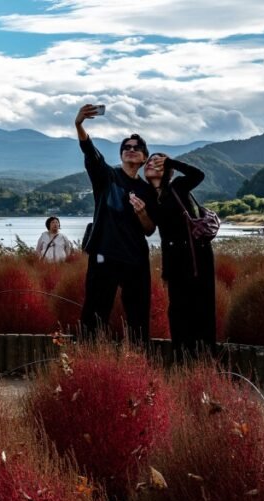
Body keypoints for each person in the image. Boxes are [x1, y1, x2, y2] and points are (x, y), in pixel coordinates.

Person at [74, 104, 158, 344]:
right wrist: (79, 125)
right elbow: (91, 153)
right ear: (121, 154)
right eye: (126, 148)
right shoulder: (106, 177)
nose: (131, 150)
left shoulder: (147, 190)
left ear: (143, 158)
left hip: (135, 259)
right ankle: (88, 362)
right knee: (94, 313)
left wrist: (142, 213)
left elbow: (150, 230)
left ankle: (137, 365)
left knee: (138, 317)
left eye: (137, 148)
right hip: (103, 255)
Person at [145, 153, 215, 360]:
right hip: (174, 260)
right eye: (149, 161)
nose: (152, 163)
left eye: (158, 161)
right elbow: (157, 234)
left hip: (196, 256)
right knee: (177, 312)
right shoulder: (148, 196)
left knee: (201, 310)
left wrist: (172, 162)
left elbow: (198, 175)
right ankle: (182, 361)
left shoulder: (177, 187)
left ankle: (204, 362)